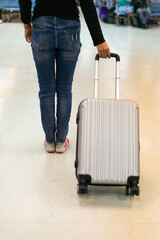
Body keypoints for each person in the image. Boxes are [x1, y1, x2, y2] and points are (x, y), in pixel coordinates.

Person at [18, 0, 111, 154]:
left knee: (46, 90)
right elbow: (87, 3)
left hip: (42, 25)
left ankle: (49, 141)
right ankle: (61, 141)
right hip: (70, 28)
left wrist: (26, 22)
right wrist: (99, 40)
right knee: (64, 89)